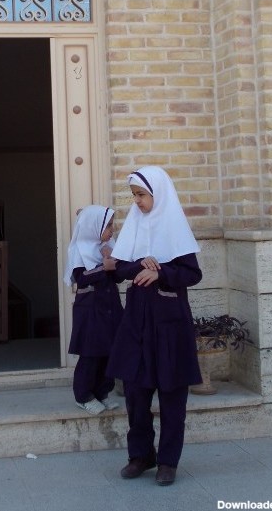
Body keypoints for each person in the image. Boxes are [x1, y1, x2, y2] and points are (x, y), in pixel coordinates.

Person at [106, 166, 202, 486]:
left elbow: (192, 273)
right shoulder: (135, 224)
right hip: (137, 325)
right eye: (134, 196)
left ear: (158, 194)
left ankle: (168, 461)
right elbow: (119, 268)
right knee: (136, 394)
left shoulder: (174, 226)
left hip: (170, 327)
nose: (137, 201)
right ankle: (140, 455)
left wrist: (160, 273)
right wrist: (139, 264)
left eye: (142, 195)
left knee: (172, 396)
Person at [63, 205, 124, 415]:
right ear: (93, 226)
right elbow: (80, 278)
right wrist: (103, 267)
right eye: (108, 225)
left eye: (112, 225)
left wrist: (114, 262)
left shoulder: (109, 247)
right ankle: (84, 396)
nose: (112, 230)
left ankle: (102, 392)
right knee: (91, 353)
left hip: (110, 306)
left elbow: (118, 276)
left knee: (109, 351)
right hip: (90, 309)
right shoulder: (80, 249)